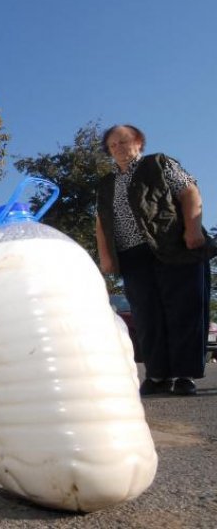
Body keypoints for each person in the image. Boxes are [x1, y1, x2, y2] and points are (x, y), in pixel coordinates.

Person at [95, 124, 214, 396]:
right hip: (133, 256)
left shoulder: (159, 164)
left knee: (183, 310)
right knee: (146, 315)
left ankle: (185, 375)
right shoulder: (106, 184)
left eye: (124, 142)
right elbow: (102, 222)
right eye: (112, 146)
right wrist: (106, 258)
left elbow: (189, 191)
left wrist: (193, 230)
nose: (118, 149)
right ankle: (158, 374)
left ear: (139, 143)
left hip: (174, 245)